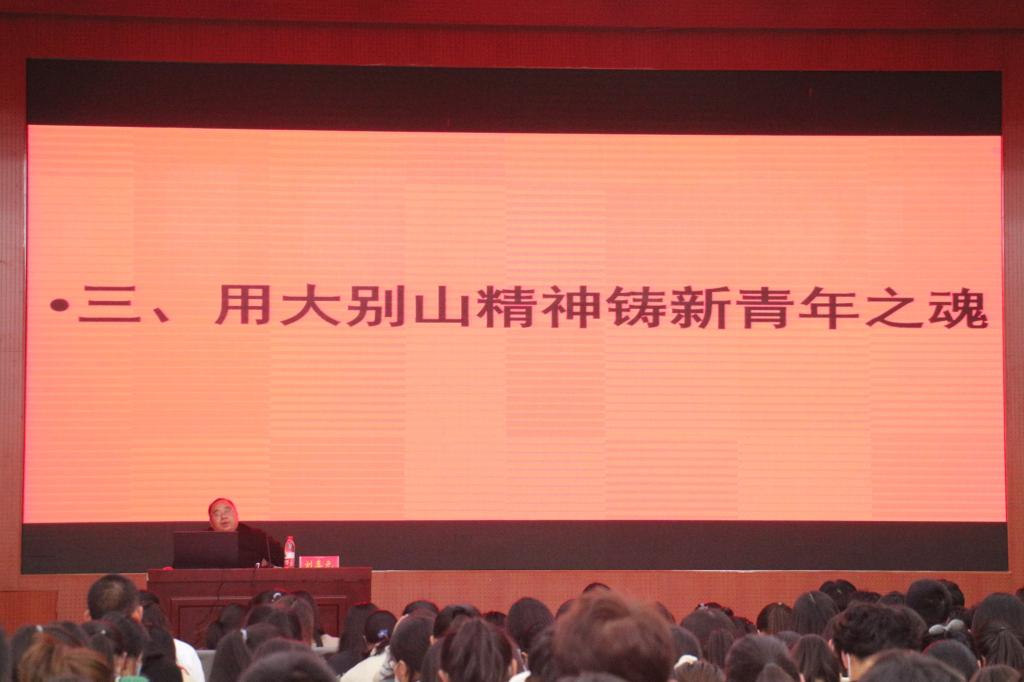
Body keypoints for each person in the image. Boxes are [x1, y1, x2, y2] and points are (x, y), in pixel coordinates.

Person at [207, 498, 284, 567]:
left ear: (236, 515)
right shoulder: (204, 541)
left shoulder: (256, 536)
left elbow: (282, 560)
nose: (223, 517)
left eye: (227, 511)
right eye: (217, 514)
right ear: (210, 522)